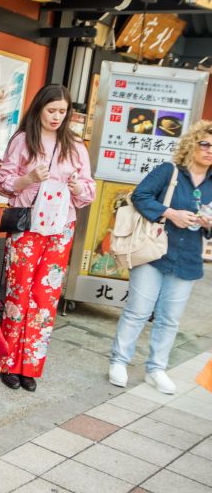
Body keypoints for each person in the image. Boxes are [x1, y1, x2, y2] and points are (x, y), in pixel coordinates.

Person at [0, 84, 95, 392]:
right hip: (26, 224)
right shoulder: (23, 141)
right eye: (52, 110)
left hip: (60, 227)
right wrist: (28, 179)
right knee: (17, 292)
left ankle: (31, 365)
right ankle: (8, 361)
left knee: (45, 297)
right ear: (39, 109)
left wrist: (77, 186)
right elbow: (3, 182)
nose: (57, 117)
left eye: (62, 112)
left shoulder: (75, 145)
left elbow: (89, 191)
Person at [109, 120, 212, 395]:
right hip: (153, 251)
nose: (210, 150)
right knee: (138, 310)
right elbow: (140, 196)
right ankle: (119, 361)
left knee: (170, 319)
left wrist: (207, 223)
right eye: (205, 144)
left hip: (188, 257)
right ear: (192, 144)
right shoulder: (169, 171)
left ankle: (157, 368)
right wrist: (170, 213)